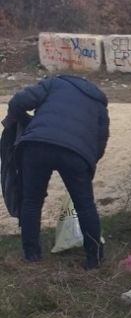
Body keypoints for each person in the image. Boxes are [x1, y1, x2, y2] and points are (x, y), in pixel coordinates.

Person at [4, 74, 109, 268]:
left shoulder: (54, 83)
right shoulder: (99, 104)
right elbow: (100, 142)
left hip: (38, 144)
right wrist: (86, 164)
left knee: (31, 201)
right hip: (75, 153)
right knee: (85, 205)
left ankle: (31, 255)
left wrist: (18, 119)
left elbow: (19, 100)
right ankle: (94, 259)